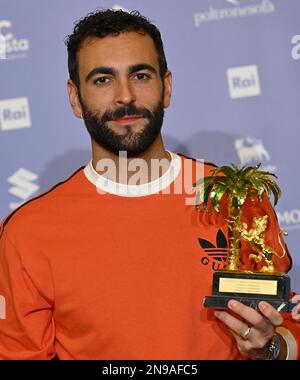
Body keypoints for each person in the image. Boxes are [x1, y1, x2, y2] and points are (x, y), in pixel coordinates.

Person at [0, 9, 299, 360]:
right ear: (75, 98)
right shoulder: (29, 232)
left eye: (140, 75)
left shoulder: (234, 196)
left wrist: (272, 347)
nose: (124, 96)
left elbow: (287, 328)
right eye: (102, 80)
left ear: (166, 86)